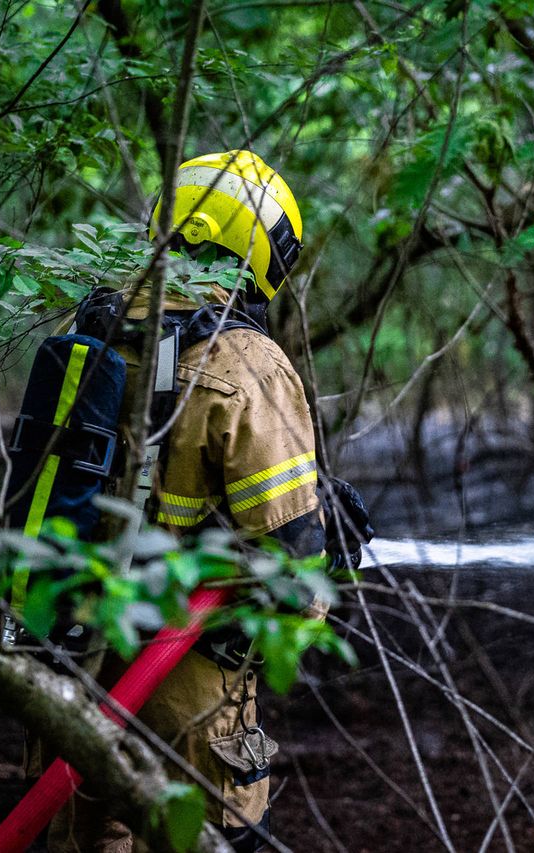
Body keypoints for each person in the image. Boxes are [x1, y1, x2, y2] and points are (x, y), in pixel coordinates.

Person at [38, 149, 368, 853]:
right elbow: (291, 585)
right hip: (184, 690)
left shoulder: (94, 323)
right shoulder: (244, 361)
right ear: (257, 246)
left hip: (68, 666)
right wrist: (327, 543)